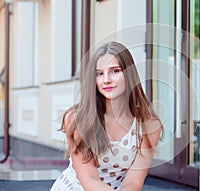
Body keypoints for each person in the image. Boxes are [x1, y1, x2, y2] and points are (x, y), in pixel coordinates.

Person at [50, 41, 163, 191]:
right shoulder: (77, 119)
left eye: (115, 71)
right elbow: (89, 180)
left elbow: (133, 183)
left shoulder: (148, 125)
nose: (106, 80)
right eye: (99, 74)